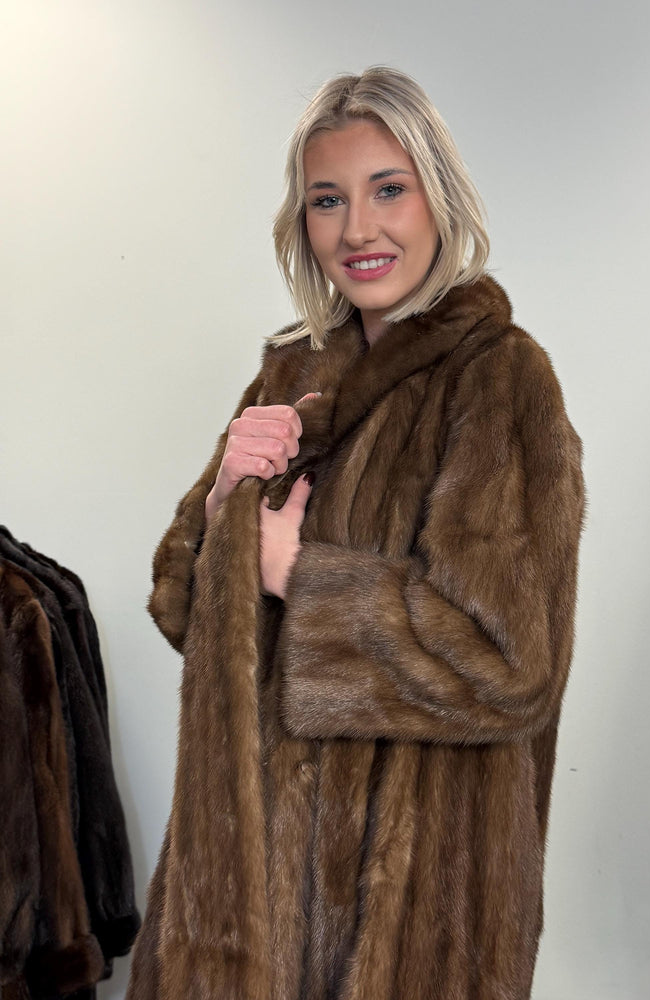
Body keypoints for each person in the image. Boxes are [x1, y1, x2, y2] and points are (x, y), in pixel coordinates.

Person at [126, 67, 585, 1000]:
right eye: (327, 199)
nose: (358, 230)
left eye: (389, 189)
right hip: (246, 876)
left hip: (408, 896)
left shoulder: (498, 378)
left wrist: (302, 576)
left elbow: (507, 666)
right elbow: (185, 617)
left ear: (439, 199)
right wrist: (221, 512)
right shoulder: (289, 375)